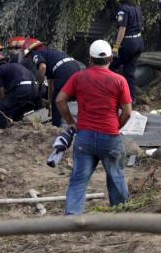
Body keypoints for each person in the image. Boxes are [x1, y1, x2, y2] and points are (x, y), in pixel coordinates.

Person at [55, 40, 131, 215]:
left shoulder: (79, 77)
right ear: (111, 58)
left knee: (78, 180)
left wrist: (71, 122)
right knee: (116, 176)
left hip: (84, 138)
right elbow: (127, 112)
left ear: (90, 58)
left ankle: (72, 217)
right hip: (110, 137)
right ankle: (122, 215)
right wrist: (115, 126)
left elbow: (60, 100)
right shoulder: (120, 80)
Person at [23, 38, 82, 128]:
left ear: (30, 51)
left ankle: (56, 126)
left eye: (28, 57)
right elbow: (51, 85)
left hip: (64, 70)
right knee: (71, 97)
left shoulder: (36, 53)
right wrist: (50, 102)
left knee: (58, 99)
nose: (29, 59)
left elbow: (42, 67)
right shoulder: (51, 55)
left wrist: (38, 86)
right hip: (75, 67)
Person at [108, 0, 144, 102]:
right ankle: (131, 98)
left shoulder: (123, 9)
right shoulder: (136, 7)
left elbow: (122, 29)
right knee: (129, 72)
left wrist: (116, 47)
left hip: (129, 43)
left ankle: (114, 95)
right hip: (139, 41)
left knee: (111, 66)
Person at [0, 53, 37, 129]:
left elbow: (1, 92)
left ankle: (5, 134)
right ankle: (17, 128)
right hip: (34, 87)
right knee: (15, 108)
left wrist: (2, 104)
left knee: (0, 111)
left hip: (23, 87)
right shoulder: (13, 67)